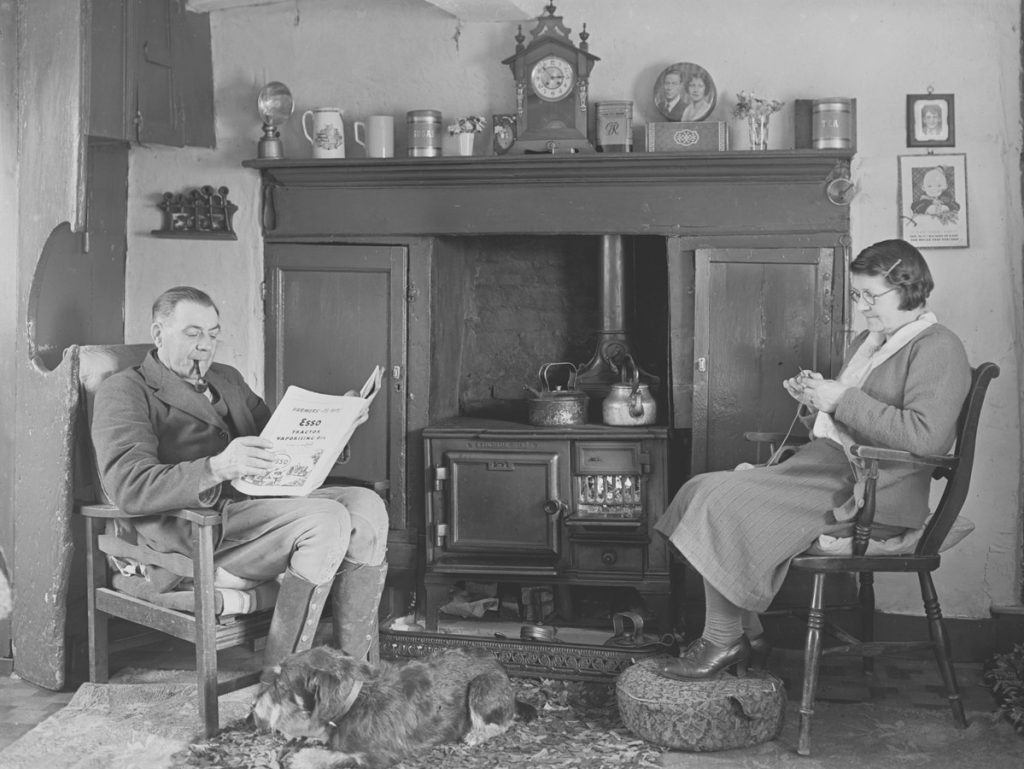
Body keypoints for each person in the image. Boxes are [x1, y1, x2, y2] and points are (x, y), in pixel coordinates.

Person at [653, 240, 970, 679]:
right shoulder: (872, 341)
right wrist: (814, 401)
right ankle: (750, 632)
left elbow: (925, 436)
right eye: (857, 295)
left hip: (873, 488)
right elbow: (847, 421)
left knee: (719, 500)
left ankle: (724, 639)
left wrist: (840, 398)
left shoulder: (938, 347)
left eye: (869, 296)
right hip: (826, 466)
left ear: (909, 288)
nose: (861, 307)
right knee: (699, 488)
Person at [91, 286, 391, 676]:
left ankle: (355, 673)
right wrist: (215, 467)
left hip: (254, 514)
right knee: (327, 519)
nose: (205, 346)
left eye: (213, 334)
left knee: (367, 506)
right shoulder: (126, 390)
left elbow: (279, 444)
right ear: (159, 332)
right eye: (192, 333)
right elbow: (128, 486)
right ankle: (283, 681)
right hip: (198, 532)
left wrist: (338, 426)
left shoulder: (227, 379)